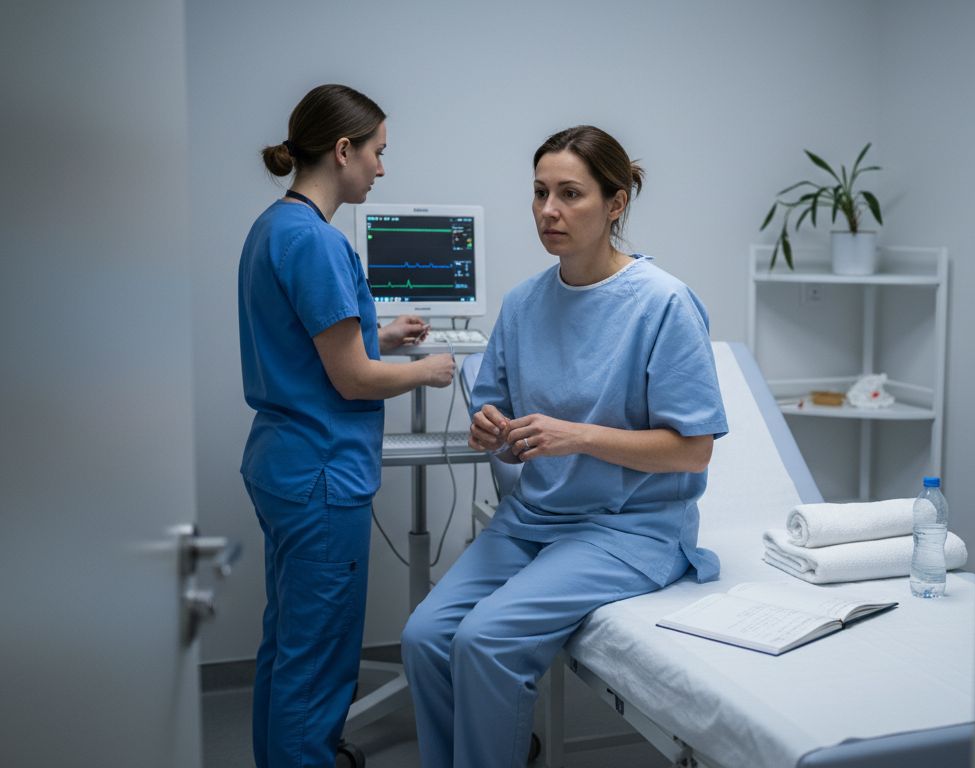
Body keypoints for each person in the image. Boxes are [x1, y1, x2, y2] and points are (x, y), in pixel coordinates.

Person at [401, 125, 728, 767]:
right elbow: (492, 415)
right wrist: (490, 433)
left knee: (486, 640)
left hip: (628, 531)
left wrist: (575, 436)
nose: (548, 211)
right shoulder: (523, 305)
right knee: (425, 637)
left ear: (615, 204)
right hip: (532, 522)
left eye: (570, 194)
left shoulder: (663, 305)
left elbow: (693, 450)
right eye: (540, 193)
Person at [238, 83, 456, 768]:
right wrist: (428, 369)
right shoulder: (318, 244)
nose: (382, 168)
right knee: (320, 655)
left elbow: (311, 346)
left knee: (288, 641)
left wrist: (379, 335)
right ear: (342, 151)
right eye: (377, 152)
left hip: (283, 463)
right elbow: (350, 378)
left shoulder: (273, 227)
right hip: (322, 474)